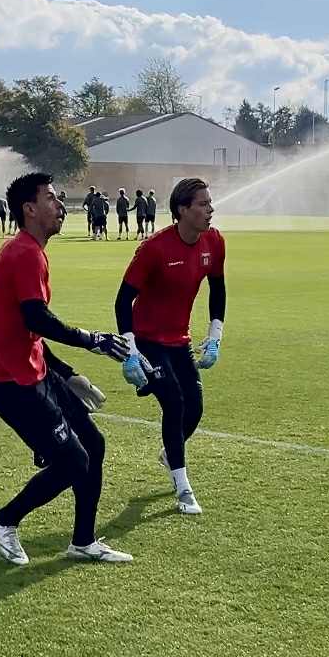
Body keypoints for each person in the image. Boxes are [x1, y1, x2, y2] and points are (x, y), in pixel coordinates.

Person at [0, 172, 134, 564]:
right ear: (29, 209)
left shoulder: (30, 250)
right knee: (73, 461)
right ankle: (5, 520)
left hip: (37, 373)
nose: (60, 203)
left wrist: (66, 373)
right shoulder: (24, 253)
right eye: (50, 198)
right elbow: (38, 318)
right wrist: (93, 339)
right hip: (13, 383)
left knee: (93, 445)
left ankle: (83, 541)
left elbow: (28, 330)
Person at [116, 176, 224, 516]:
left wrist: (215, 336)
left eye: (210, 202)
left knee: (195, 408)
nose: (210, 209)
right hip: (148, 340)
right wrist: (131, 352)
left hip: (180, 340)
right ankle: (183, 487)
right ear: (183, 210)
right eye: (203, 204)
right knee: (174, 404)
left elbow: (218, 289)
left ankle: (170, 452)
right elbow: (122, 302)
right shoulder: (154, 249)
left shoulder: (215, 242)